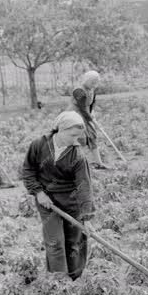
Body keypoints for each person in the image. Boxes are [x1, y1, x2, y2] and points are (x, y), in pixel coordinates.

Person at [21, 111, 94, 280]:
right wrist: (38, 192)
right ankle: (59, 282)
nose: (76, 140)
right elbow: (28, 170)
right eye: (73, 135)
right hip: (47, 202)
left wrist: (86, 217)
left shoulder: (77, 155)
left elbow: (84, 187)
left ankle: (74, 278)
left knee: (74, 242)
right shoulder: (39, 145)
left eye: (78, 136)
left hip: (72, 203)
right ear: (61, 129)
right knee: (55, 243)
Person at [72, 70, 108, 170]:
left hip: (86, 114)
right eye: (92, 82)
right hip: (75, 116)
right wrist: (90, 119)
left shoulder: (92, 89)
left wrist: (92, 113)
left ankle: (98, 163)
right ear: (86, 80)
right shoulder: (79, 91)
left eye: (96, 82)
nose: (94, 85)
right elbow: (82, 108)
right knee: (81, 139)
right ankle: (83, 165)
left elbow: (91, 104)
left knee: (92, 136)